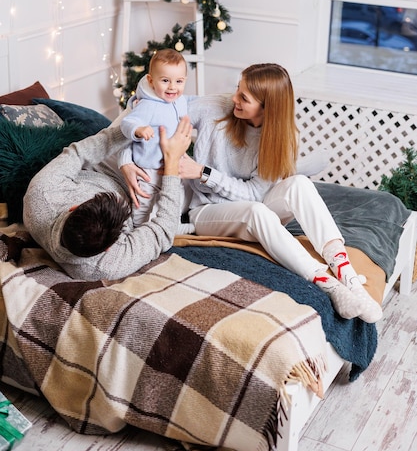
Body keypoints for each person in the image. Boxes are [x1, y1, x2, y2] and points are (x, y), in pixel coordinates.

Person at [121, 63, 382, 323]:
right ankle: (328, 283)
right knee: (256, 212)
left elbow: (255, 194)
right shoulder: (216, 107)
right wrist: (125, 159)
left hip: (255, 205)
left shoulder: (282, 137)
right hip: (207, 210)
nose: (234, 98)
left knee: (300, 183)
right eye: (238, 89)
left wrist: (204, 172)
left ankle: (347, 275)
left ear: (267, 107)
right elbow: (147, 106)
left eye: (244, 97)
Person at [22, 115, 193, 281]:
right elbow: (162, 232)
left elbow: (77, 153)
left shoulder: (41, 192)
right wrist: (172, 162)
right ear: (109, 248)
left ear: (73, 207)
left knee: (148, 111)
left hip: (105, 167)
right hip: (141, 197)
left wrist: (130, 132)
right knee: (195, 180)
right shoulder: (105, 266)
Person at [120, 49, 193, 231]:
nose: (172, 87)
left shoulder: (180, 100)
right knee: (143, 201)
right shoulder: (148, 105)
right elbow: (128, 122)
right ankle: (138, 228)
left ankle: (173, 226)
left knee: (175, 196)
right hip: (148, 168)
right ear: (151, 81)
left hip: (171, 165)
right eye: (165, 81)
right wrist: (138, 130)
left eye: (179, 81)